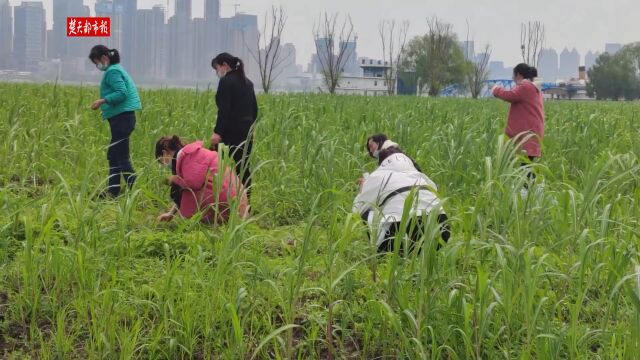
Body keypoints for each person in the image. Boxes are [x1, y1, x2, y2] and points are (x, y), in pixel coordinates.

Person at [353, 141, 450, 254]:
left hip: (402, 236)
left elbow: (357, 208)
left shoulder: (377, 176)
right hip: (441, 232)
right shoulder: (421, 176)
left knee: (367, 210)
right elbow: (435, 192)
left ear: (382, 163)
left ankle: (381, 251)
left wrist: (363, 189)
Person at [155, 136, 249, 224]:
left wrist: (173, 179)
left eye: (161, 161)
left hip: (226, 199)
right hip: (233, 199)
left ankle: (200, 219)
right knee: (179, 185)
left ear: (164, 154)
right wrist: (170, 213)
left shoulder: (188, 156)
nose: (164, 165)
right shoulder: (189, 154)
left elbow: (193, 184)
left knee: (176, 187)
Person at [88, 45, 141, 198]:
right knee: (113, 154)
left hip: (122, 119)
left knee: (121, 156)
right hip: (122, 119)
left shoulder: (113, 71)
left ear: (104, 58)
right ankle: (113, 191)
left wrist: (103, 101)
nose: (97, 66)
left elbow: (121, 92)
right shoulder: (115, 69)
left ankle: (134, 191)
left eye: (96, 62)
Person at [210, 53, 258, 203]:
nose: (217, 72)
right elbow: (254, 110)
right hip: (246, 132)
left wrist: (217, 133)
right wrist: (249, 127)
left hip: (228, 133)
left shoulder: (226, 82)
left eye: (216, 68)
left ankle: (215, 202)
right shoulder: (248, 83)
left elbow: (224, 110)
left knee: (214, 167)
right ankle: (246, 204)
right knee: (243, 169)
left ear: (224, 65)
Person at [489, 63, 545, 187]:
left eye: (513, 76)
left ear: (519, 75)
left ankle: (531, 191)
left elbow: (510, 95)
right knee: (527, 164)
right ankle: (532, 190)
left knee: (525, 166)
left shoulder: (525, 86)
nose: (513, 79)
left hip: (527, 134)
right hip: (532, 132)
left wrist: (495, 89)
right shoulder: (535, 88)